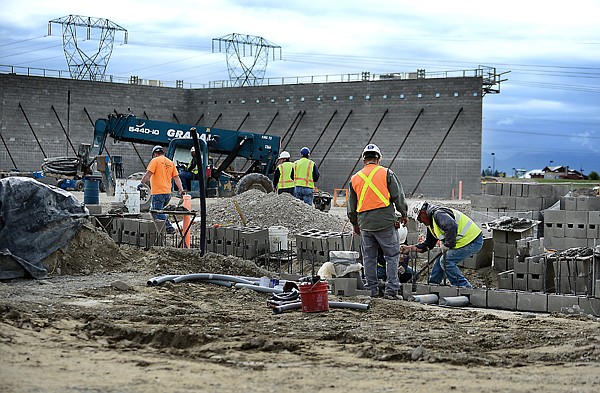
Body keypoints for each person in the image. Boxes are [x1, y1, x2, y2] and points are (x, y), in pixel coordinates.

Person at [347, 143, 408, 300]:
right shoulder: (387, 173)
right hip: (385, 222)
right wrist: (404, 213)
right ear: (378, 159)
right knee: (392, 255)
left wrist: (355, 224)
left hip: (365, 224)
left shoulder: (355, 178)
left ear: (363, 160)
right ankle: (391, 290)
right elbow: (398, 196)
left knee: (369, 257)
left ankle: (372, 289)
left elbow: (351, 207)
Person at [401, 201, 483, 288]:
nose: (420, 222)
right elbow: (428, 245)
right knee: (439, 261)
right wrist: (409, 248)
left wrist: (447, 244)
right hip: (462, 242)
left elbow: (451, 226)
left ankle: (465, 288)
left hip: (472, 241)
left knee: (446, 261)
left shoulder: (438, 214)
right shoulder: (431, 223)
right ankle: (432, 286)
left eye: (419, 218)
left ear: (423, 212)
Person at [138, 145, 185, 235]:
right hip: (167, 194)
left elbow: (148, 174)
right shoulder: (170, 162)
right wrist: (181, 190)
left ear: (155, 154)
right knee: (156, 211)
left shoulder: (155, 161)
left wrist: (142, 183)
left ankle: (169, 228)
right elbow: (176, 178)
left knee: (157, 212)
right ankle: (160, 229)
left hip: (158, 192)